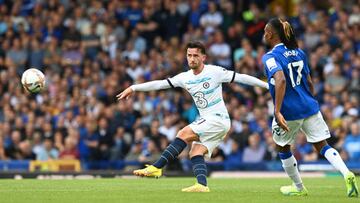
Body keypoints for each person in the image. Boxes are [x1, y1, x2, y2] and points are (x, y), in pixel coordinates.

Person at [117, 41, 268, 192]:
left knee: (183, 133)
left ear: (204, 57)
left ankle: (157, 167)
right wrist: (134, 87)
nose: (192, 58)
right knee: (195, 151)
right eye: (189, 55)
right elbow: (161, 84)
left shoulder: (214, 71)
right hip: (213, 122)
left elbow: (241, 77)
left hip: (217, 118)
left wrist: (267, 86)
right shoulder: (185, 77)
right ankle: (202, 185)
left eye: (196, 55)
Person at [262, 18, 358, 197]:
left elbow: (281, 79)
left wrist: (277, 110)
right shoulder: (299, 52)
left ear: (270, 34)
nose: (264, 34)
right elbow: (309, 82)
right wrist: (307, 99)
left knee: (282, 147)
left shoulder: (270, 57)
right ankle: (347, 173)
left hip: (289, 110)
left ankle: (298, 188)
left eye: (265, 31)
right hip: (309, 106)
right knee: (322, 145)